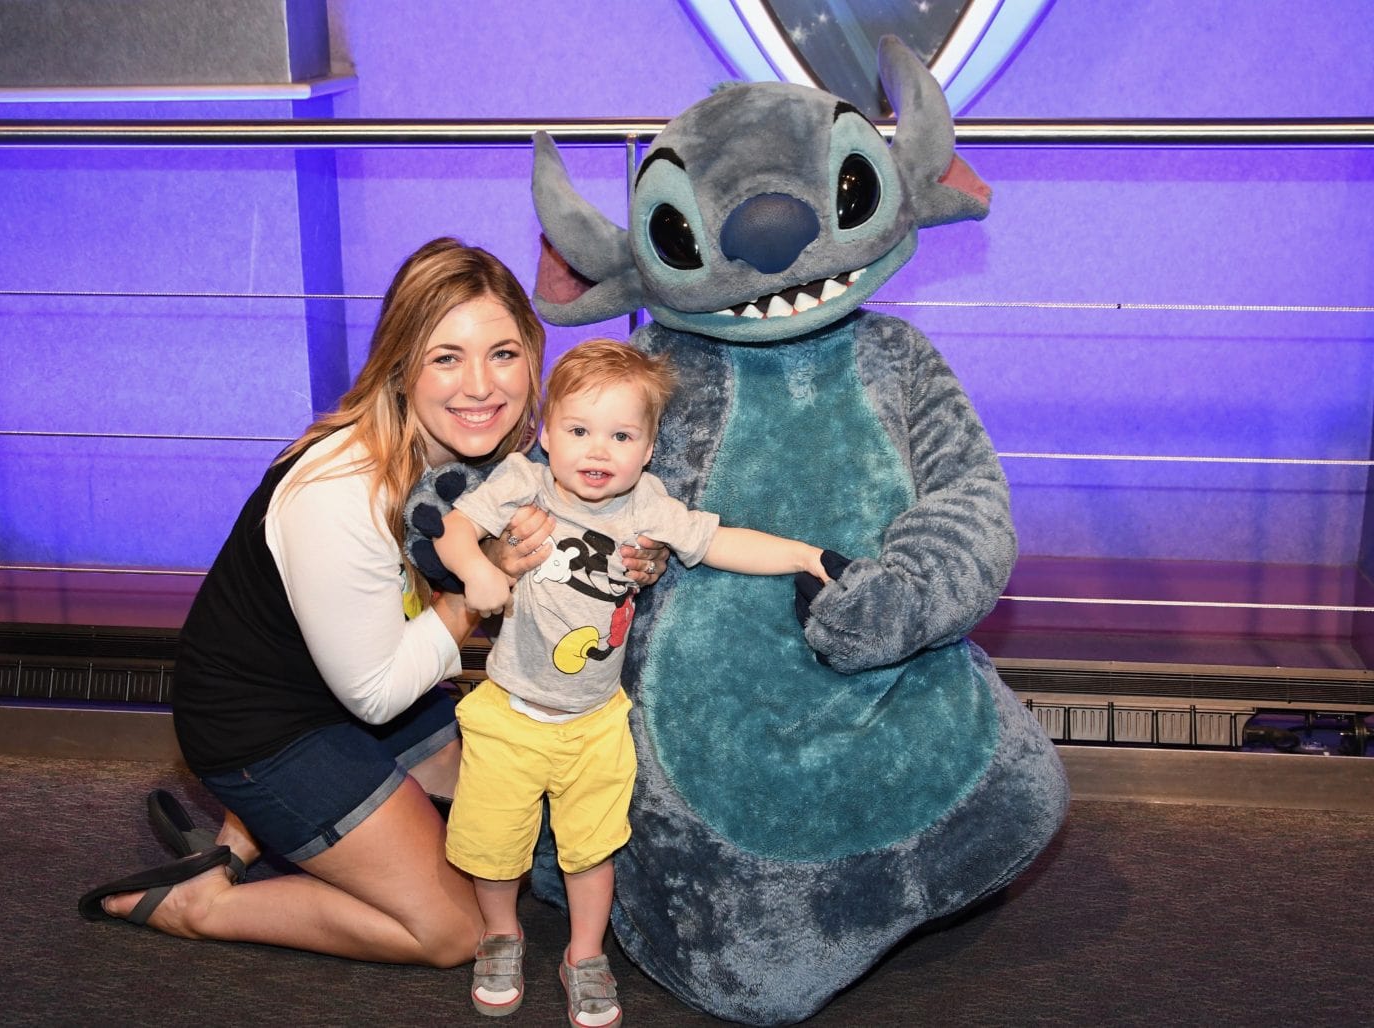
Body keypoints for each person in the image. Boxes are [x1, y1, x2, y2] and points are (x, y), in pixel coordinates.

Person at [76, 239, 670, 967]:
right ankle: (207, 904)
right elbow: (378, 694)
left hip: (354, 680)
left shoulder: (491, 456)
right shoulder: (339, 492)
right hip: (269, 725)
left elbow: (601, 516)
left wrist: (645, 552)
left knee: (521, 788)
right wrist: (481, 592)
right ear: (399, 363)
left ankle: (250, 833)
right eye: (445, 357)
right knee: (456, 926)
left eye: (504, 354)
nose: (481, 386)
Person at [433, 339, 831, 1025]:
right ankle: (501, 934)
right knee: (494, 846)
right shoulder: (523, 483)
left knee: (593, 850)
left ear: (648, 449)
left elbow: (719, 540)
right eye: (579, 430)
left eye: (621, 435)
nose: (598, 450)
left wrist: (803, 553)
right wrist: (477, 569)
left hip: (594, 723)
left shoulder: (647, 505)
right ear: (547, 433)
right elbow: (453, 528)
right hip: (511, 713)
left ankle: (585, 954)